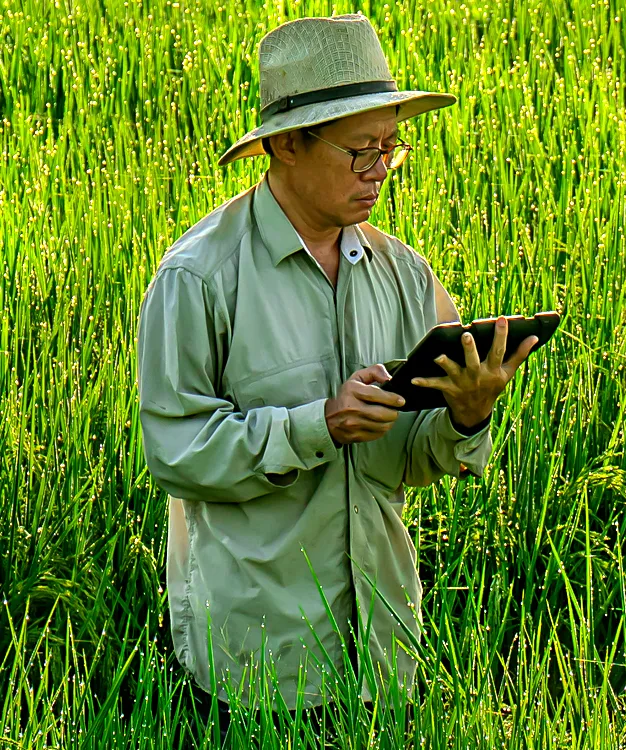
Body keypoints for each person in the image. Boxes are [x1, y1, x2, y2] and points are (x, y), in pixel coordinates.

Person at [136, 13, 538, 743]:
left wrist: (468, 417)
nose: (380, 167)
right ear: (287, 145)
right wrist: (318, 424)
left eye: (392, 147)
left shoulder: (405, 274)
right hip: (258, 659)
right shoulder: (198, 277)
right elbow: (177, 453)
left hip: (384, 652)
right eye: (360, 150)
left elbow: (413, 463)